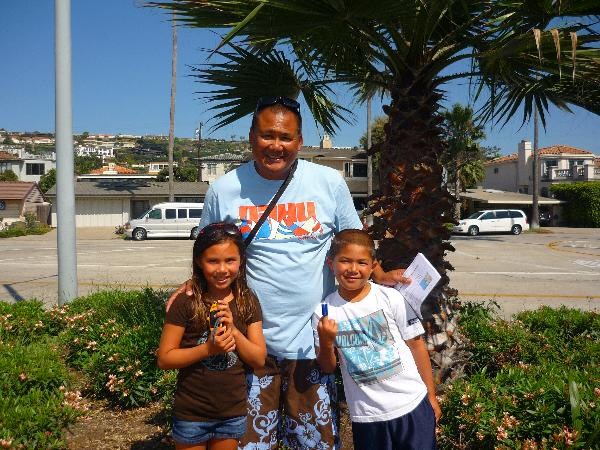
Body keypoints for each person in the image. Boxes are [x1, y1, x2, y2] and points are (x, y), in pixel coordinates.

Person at [167, 96, 408, 449]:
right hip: (248, 346)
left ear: (299, 141)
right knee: (250, 444)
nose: (276, 146)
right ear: (251, 137)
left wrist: (381, 274)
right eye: (267, 135)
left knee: (314, 444)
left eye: (286, 137)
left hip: (311, 343)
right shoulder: (224, 189)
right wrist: (192, 284)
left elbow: (353, 242)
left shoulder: (328, 182)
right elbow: (209, 249)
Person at [313, 229, 441, 450]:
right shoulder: (324, 311)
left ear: (373, 266)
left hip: (412, 406)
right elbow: (327, 366)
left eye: (362, 263)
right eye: (344, 261)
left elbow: (416, 345)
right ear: (330, 263)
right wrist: (325, 342)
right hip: (367, 418)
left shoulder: (390, 297)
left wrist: (431, 395)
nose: (353, 269)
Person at [157, 222, 267, 450]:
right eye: (212, 261)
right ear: (199, 261)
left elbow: (258, 359)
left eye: (230, 260)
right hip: (191, 414)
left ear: (241, 261)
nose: (222, 269)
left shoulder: (248, 302)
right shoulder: (186, 302)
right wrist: (208, 349)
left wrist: (235, 331)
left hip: (231, 413)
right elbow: (165, 359)